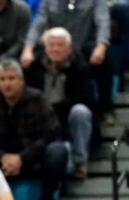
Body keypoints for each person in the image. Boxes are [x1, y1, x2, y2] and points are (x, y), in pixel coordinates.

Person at [0, 58, 68, 200]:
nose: (7, 84)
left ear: (21, 80)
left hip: (34, 158)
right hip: (4, 161)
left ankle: (46, 199)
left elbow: (51, 133)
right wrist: (3, 157)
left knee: (58, 151)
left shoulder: (38, 99)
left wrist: (22, 158)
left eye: (11, 78)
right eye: (2, 79)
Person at [24, 28, 98, 180]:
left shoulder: (81, 67)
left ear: (69, 48)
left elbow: (85, 100)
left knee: (81, 111)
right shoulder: (34, 67)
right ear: (45, 48)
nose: (55, 49)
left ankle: (80, 162)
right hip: (43, 118)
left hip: (69, 118)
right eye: (51, 45)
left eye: (60, 45)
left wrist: (51, 107)